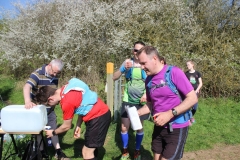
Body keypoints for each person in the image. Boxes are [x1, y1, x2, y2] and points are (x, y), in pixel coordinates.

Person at [136, 46, 198, 160]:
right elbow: (150, 104)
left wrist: (170, 113)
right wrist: (137, 113)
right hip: (158, 127)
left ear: (154, 58)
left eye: (144, 63)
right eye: (140, 64)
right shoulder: (148, 80)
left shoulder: (174, 72)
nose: (141, 67)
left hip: (177, 127)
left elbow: (193, 98)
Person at [34, 78, 111, 160]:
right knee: (91, 146)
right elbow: (83, 103)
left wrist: (53, 132)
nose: (51, 106)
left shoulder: (66, 102)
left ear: (51, 99)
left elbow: (66, 126)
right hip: (99, 112)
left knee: (86, 153)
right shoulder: (68, 86)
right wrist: (78, 125)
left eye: (48, 104)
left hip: (98, 117)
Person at [23, 59, 69, 160]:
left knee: (53, 129)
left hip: (50, 109)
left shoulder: (55, 75)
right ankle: (42, 152)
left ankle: (58, 152)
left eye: (57, 73)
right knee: (38, 131)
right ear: (49, 65)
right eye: (54, 71)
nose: (55, 74)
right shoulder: (37, 74)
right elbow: (27, 87)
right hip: (38, 110)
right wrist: (27, 101)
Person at [113, 41, 149, 160]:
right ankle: (125, 151)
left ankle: (137, 151)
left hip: (141, 102)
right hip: (128, 99)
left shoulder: (146, 64)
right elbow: (114, 77)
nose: (137, 53)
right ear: (132, 51)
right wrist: (123, 69)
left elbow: (151, 81)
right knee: (124, 127)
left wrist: (146, 93)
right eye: (135, 50)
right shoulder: (128, 62)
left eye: (140, 50)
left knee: (139, 127)